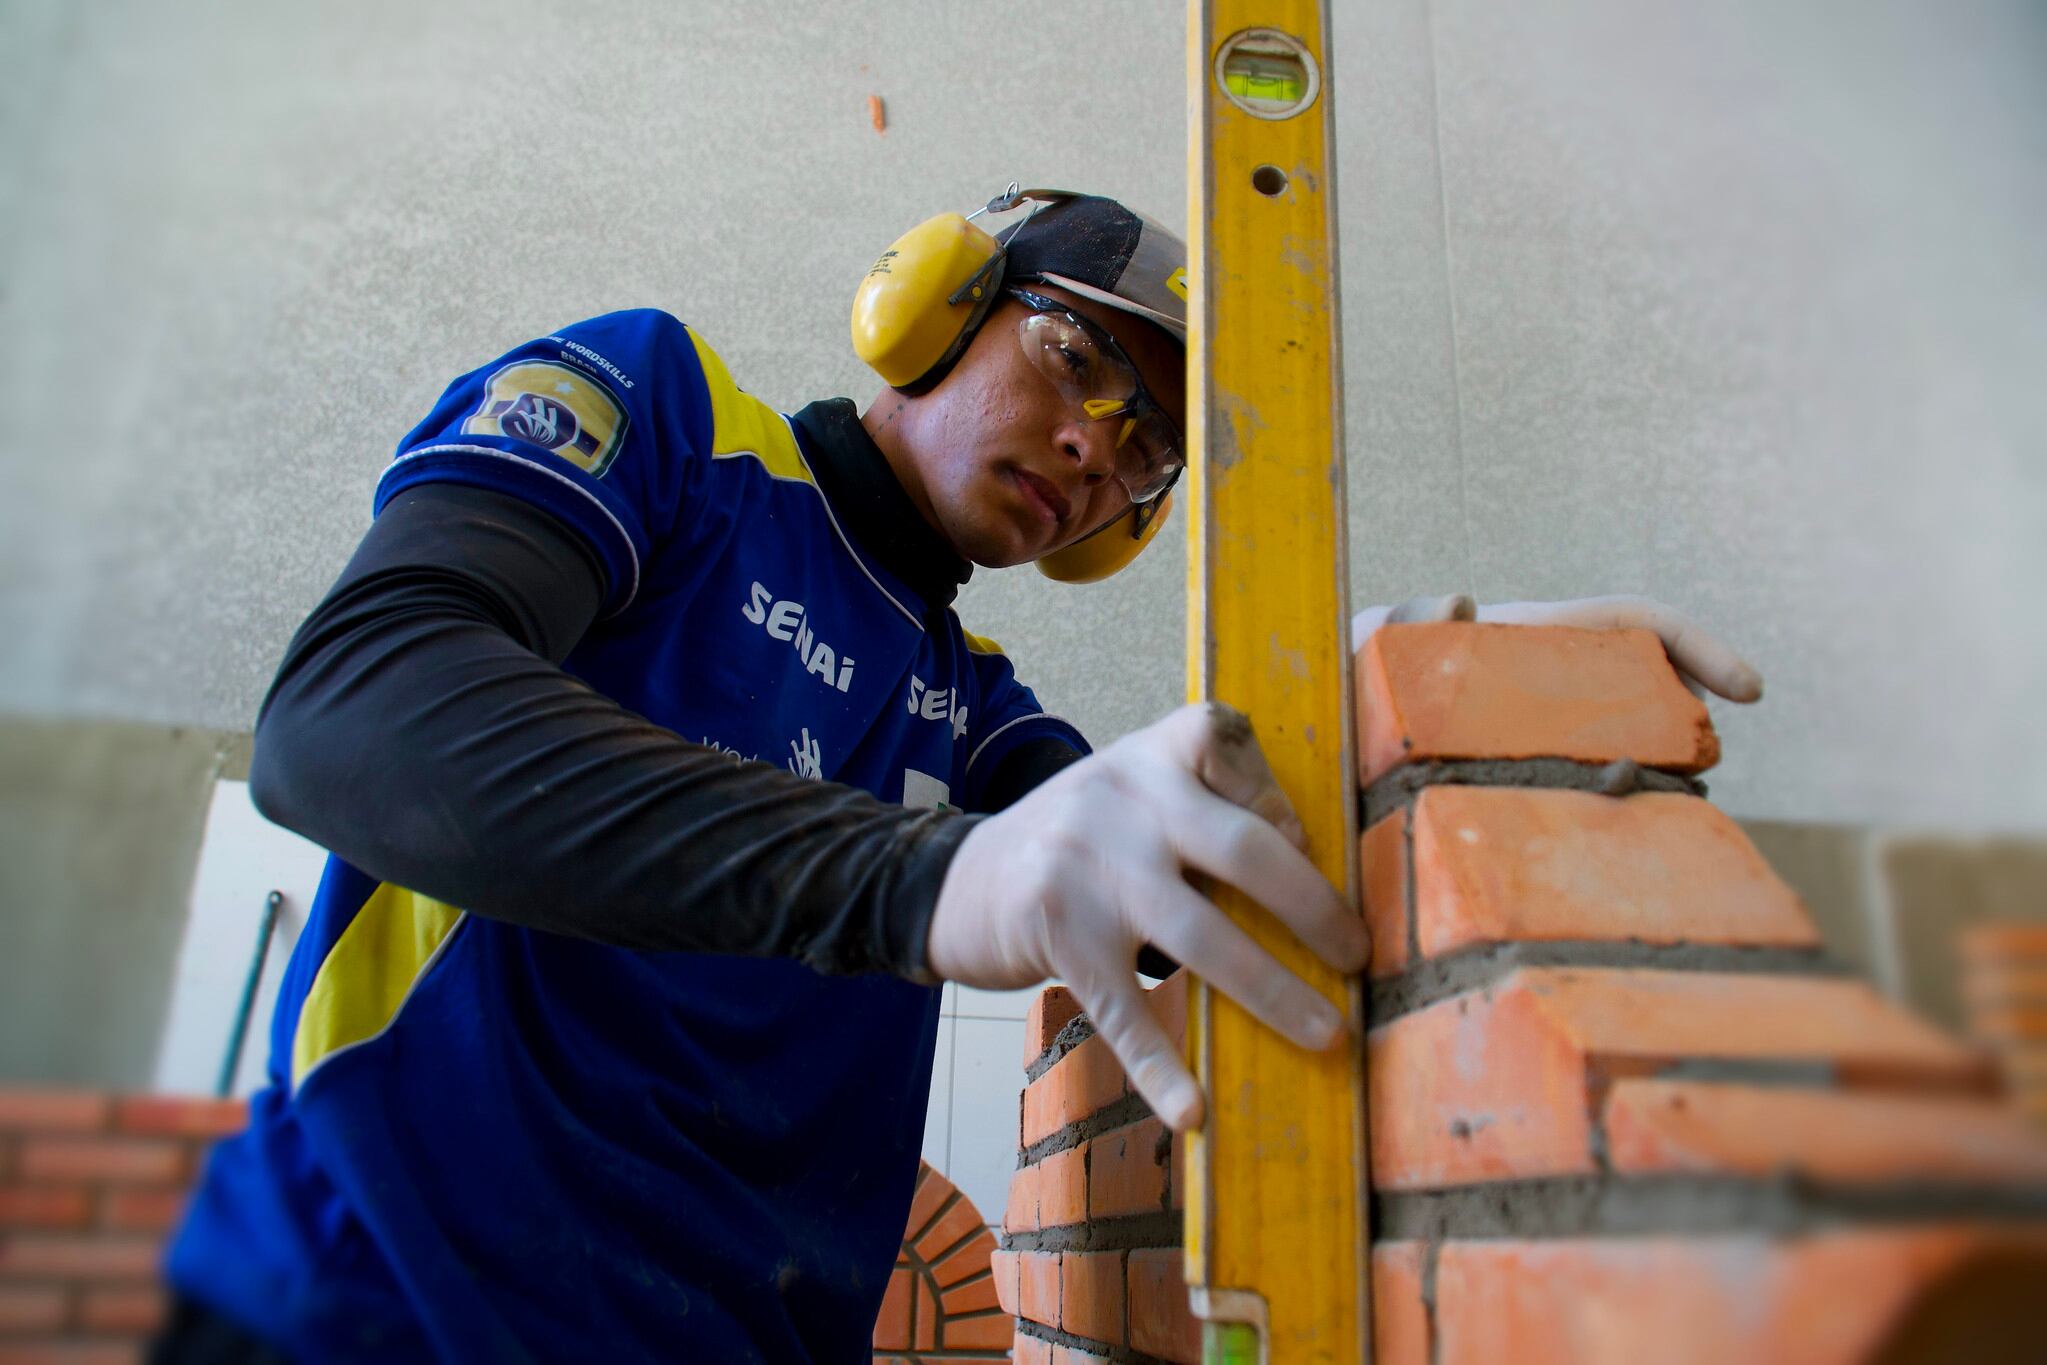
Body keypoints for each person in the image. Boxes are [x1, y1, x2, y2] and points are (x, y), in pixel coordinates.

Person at [156, 187, 1762, 1363]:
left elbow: (1189, 866)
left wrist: (1397, 697)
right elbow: (356, 705)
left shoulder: (972, 705)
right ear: (937, 300)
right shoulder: (668, 419)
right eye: (1076, 361)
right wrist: (927, 876)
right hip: (360, 1309)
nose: (1099, 451)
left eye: (1147, 453)